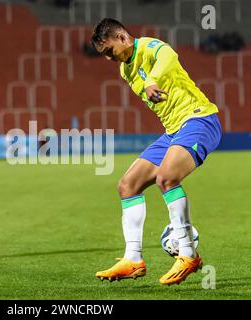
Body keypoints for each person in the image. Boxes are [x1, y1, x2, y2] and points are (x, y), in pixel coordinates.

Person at [91, 18, 222, 285]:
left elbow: (168, 57)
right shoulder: (125, 70)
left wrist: (151, 80)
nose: (108, 59)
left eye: (109, 51)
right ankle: (133, 259)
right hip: (173, 130)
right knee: (128, 185)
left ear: (123, 38)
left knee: (167, 178)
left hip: (199, 120)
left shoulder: (151, 47)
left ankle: (188, 253)